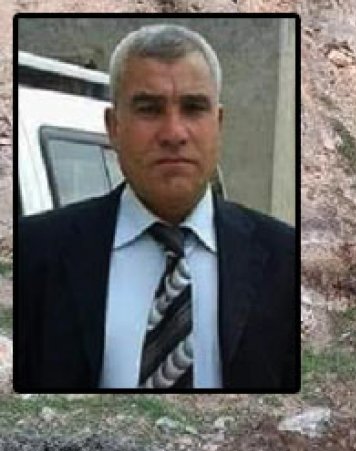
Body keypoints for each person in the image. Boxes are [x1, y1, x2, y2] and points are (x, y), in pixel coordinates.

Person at [15, 24, 297, 390]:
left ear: (219, 124)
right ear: (113, 127)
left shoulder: (284, 258)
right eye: (149, 109)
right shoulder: (35, 252)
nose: (174, 133)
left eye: (194, 108)